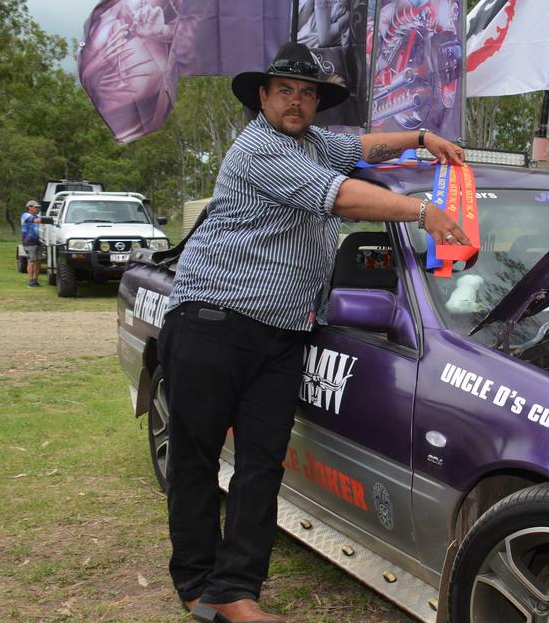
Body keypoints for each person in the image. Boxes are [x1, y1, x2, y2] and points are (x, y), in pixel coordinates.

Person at [160, 41, 468, 623]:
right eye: (286, 91)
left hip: (280, 334)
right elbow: (343, 195)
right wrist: (423, 210)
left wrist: (423, 139)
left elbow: (365, 144)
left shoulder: (314, 143)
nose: (297, 102)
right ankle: (197, 586)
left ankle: (235, 593)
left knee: (262, 463)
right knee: (197, 459)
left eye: (307, 93)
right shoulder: (261, 149)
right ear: (263, 96)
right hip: (213, 320)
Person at [21, 201, 42, 287]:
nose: (37, 209)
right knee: (31, 261)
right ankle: (30, 280)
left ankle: (35, 279)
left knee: (38, 261)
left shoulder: (38, 215)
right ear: (29, 207)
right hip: (29, 242)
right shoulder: (25, 215)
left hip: (39, 241)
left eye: (37, 207)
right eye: (35, 207)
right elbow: (36, 221)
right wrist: (48, 219)